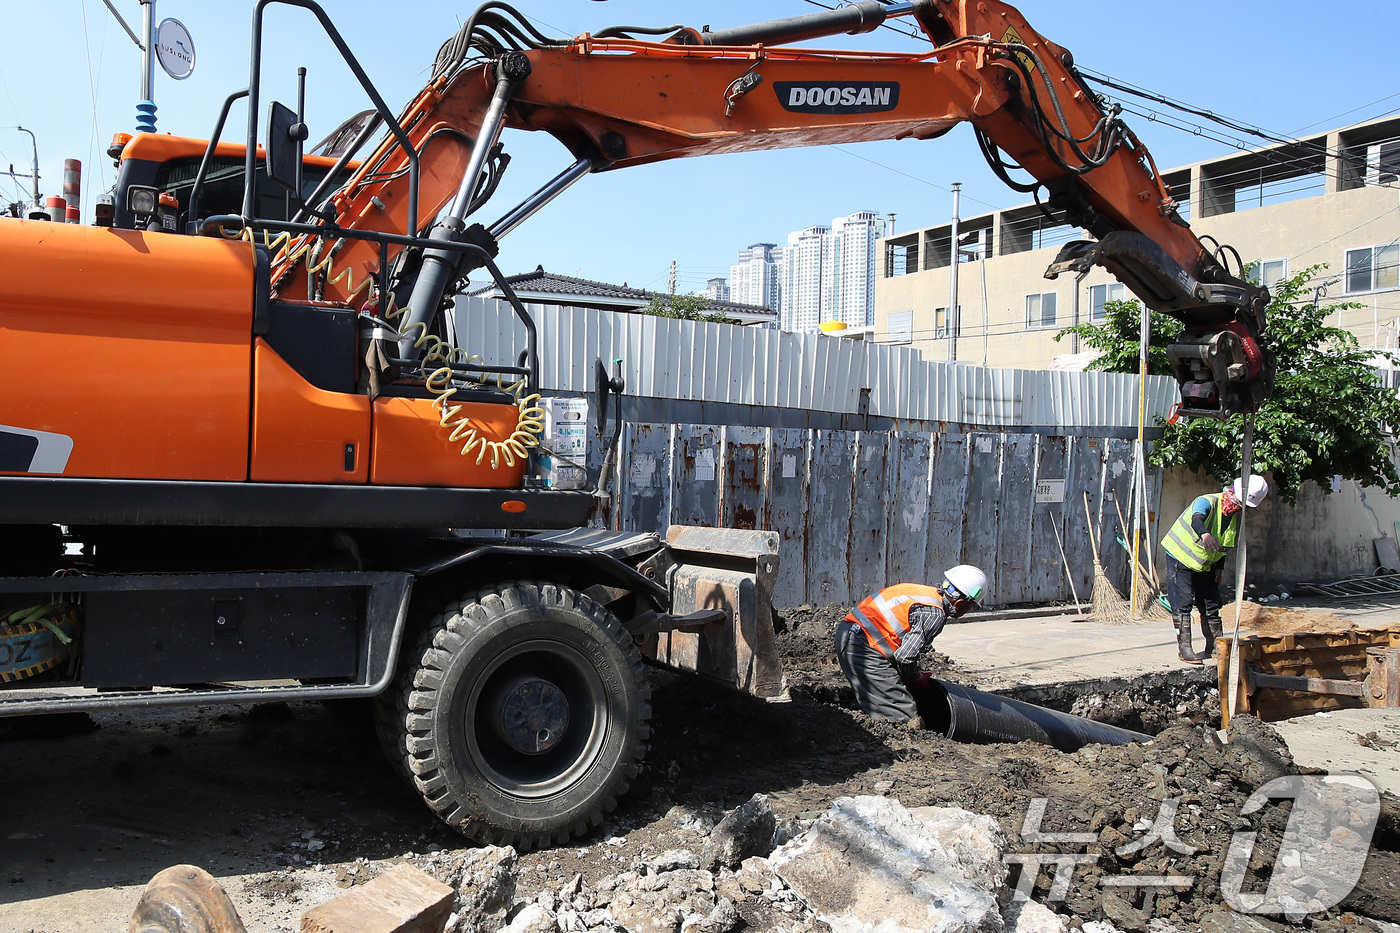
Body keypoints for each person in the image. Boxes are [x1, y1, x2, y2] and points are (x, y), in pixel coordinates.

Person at [834, 565, 988, 727]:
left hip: (849, 634)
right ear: (960, 603)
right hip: (862, 647)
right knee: (901, 716)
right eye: (971, 607)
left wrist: (907, 675)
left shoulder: (923, 593)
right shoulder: (934, 614)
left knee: (887, 696)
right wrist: (917, 679)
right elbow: (905, 658)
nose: (969, 610)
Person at [1161, 475, 1268, 665]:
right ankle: (1185, 649)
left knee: (1211, 605)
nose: (1239, 507)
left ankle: (1215, 646)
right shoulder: (1207, 501)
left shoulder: (1234, 518)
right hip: (1181, 557)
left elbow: (1224, 545)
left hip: (1206, 565)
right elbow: (1197, 520)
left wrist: (1219, 568)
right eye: (1239, 502)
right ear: (1233, 492)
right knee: (1183, 604)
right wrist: (1205, 534)